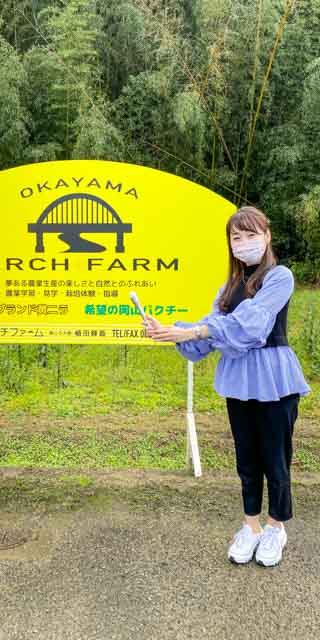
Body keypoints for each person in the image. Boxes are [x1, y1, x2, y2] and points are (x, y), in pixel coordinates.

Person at [145, 206, 310, 567]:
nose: (244, 243)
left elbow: (250, 326)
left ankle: (275, 528)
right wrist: (171, 333)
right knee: (247, 459)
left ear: (267, 236)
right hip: (239, 381)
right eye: (237, 237)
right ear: (230, 244)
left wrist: (195, 330)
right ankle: (250, 527)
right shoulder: (229, 286)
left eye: (252, 235)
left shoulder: (280, 277)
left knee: (276, 460)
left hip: (275, 380)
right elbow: (207, 333)